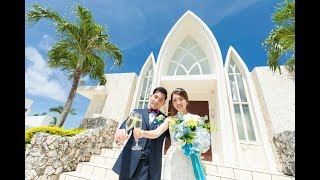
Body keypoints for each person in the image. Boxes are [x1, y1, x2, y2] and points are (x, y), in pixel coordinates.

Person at [134, 88, 206, 180]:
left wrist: (197, 147)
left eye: (181, 99)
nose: (178, 102)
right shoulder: (169, 120)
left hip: (190, 157)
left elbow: (203, 140)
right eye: (174, 100)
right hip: (173, 157)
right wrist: (142, 133)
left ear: (186, 100)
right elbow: (156, 133)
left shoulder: (196, 118)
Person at [112, 87, 170, 180]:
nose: (156, 101)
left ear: (163, 103)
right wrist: (122, 132)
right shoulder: (137, 112)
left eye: (160, 100)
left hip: (149, 165)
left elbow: (174, 137)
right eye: (155, 97)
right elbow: (126, 126)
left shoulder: (166, 120)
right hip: (130, 159)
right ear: (150, 96)